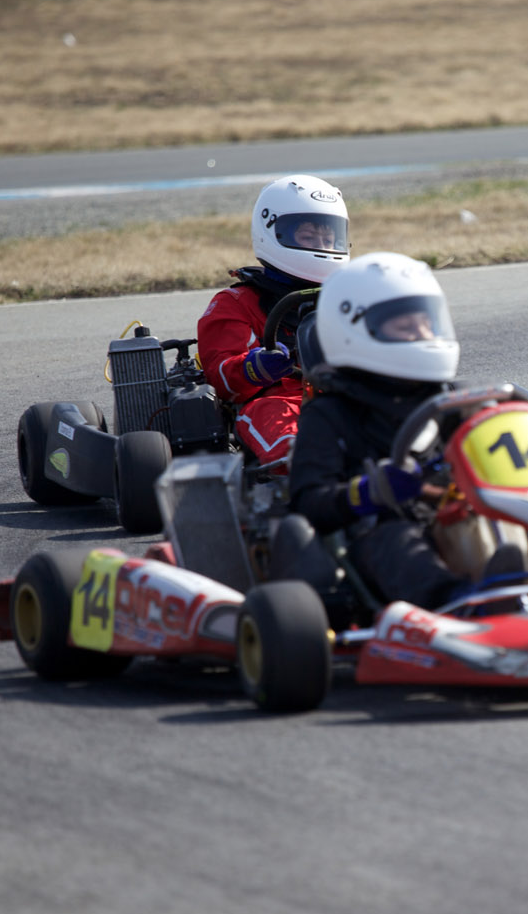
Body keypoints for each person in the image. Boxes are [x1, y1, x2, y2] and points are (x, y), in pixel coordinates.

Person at [287, 251, 470, 609]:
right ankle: (459, 605)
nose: (422, 336)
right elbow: (308, 502)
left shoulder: (453, 401)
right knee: (398, 541)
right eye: (405, 328)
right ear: (355, 332)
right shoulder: (330, 413)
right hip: (376, 536)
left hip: (454, 517)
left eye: (427, 324)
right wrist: (367, 493)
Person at [197, 174, 350, 465]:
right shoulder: (236, 302)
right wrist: (254, 368)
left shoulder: (350, 295)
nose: (322, 245)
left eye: (328, 238)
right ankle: (310, 469)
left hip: (349, 391)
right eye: (308, 237)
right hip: (280, 399)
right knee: (283, 427)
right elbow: (220, 378)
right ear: (273, 232)